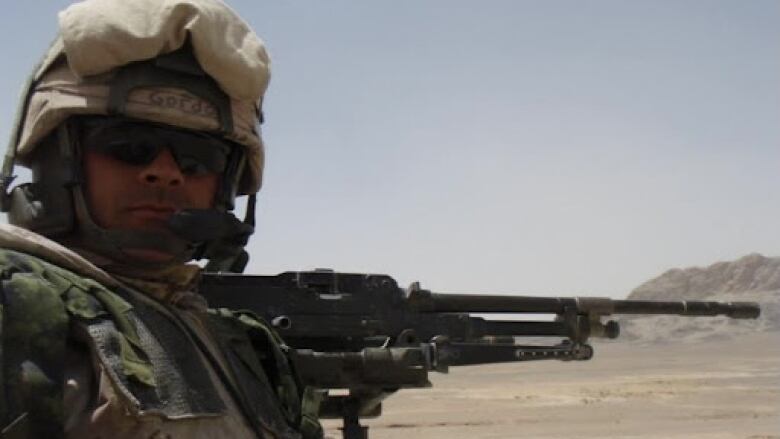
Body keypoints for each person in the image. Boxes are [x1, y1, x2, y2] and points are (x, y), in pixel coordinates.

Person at [0, 0, 322, 437]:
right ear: (59, 162)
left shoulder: (236, 342)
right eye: (129, 146)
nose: (166, 172)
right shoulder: (13, 305)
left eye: (197, 159)